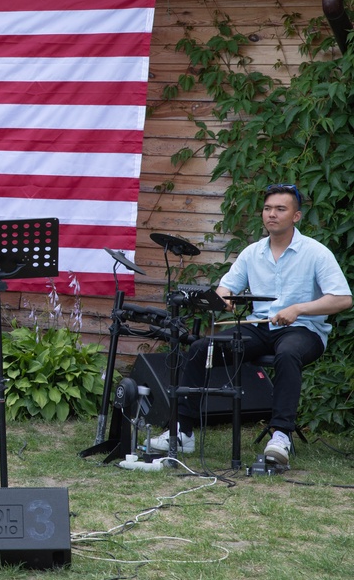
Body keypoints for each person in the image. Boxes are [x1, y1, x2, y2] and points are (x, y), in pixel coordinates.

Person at [148, 183, 351, 465]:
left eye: (280, 209)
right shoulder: (251, 253)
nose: (272, 214)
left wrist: (299, 308)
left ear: (296, 216)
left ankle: (281, 435)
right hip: (259, 328)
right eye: (267, 209)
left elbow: (343, 299)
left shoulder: (316, 253)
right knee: (200, 347)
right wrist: (225, 300)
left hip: (304, 330)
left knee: (289, 352)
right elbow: (226, 288)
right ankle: (183, 431)